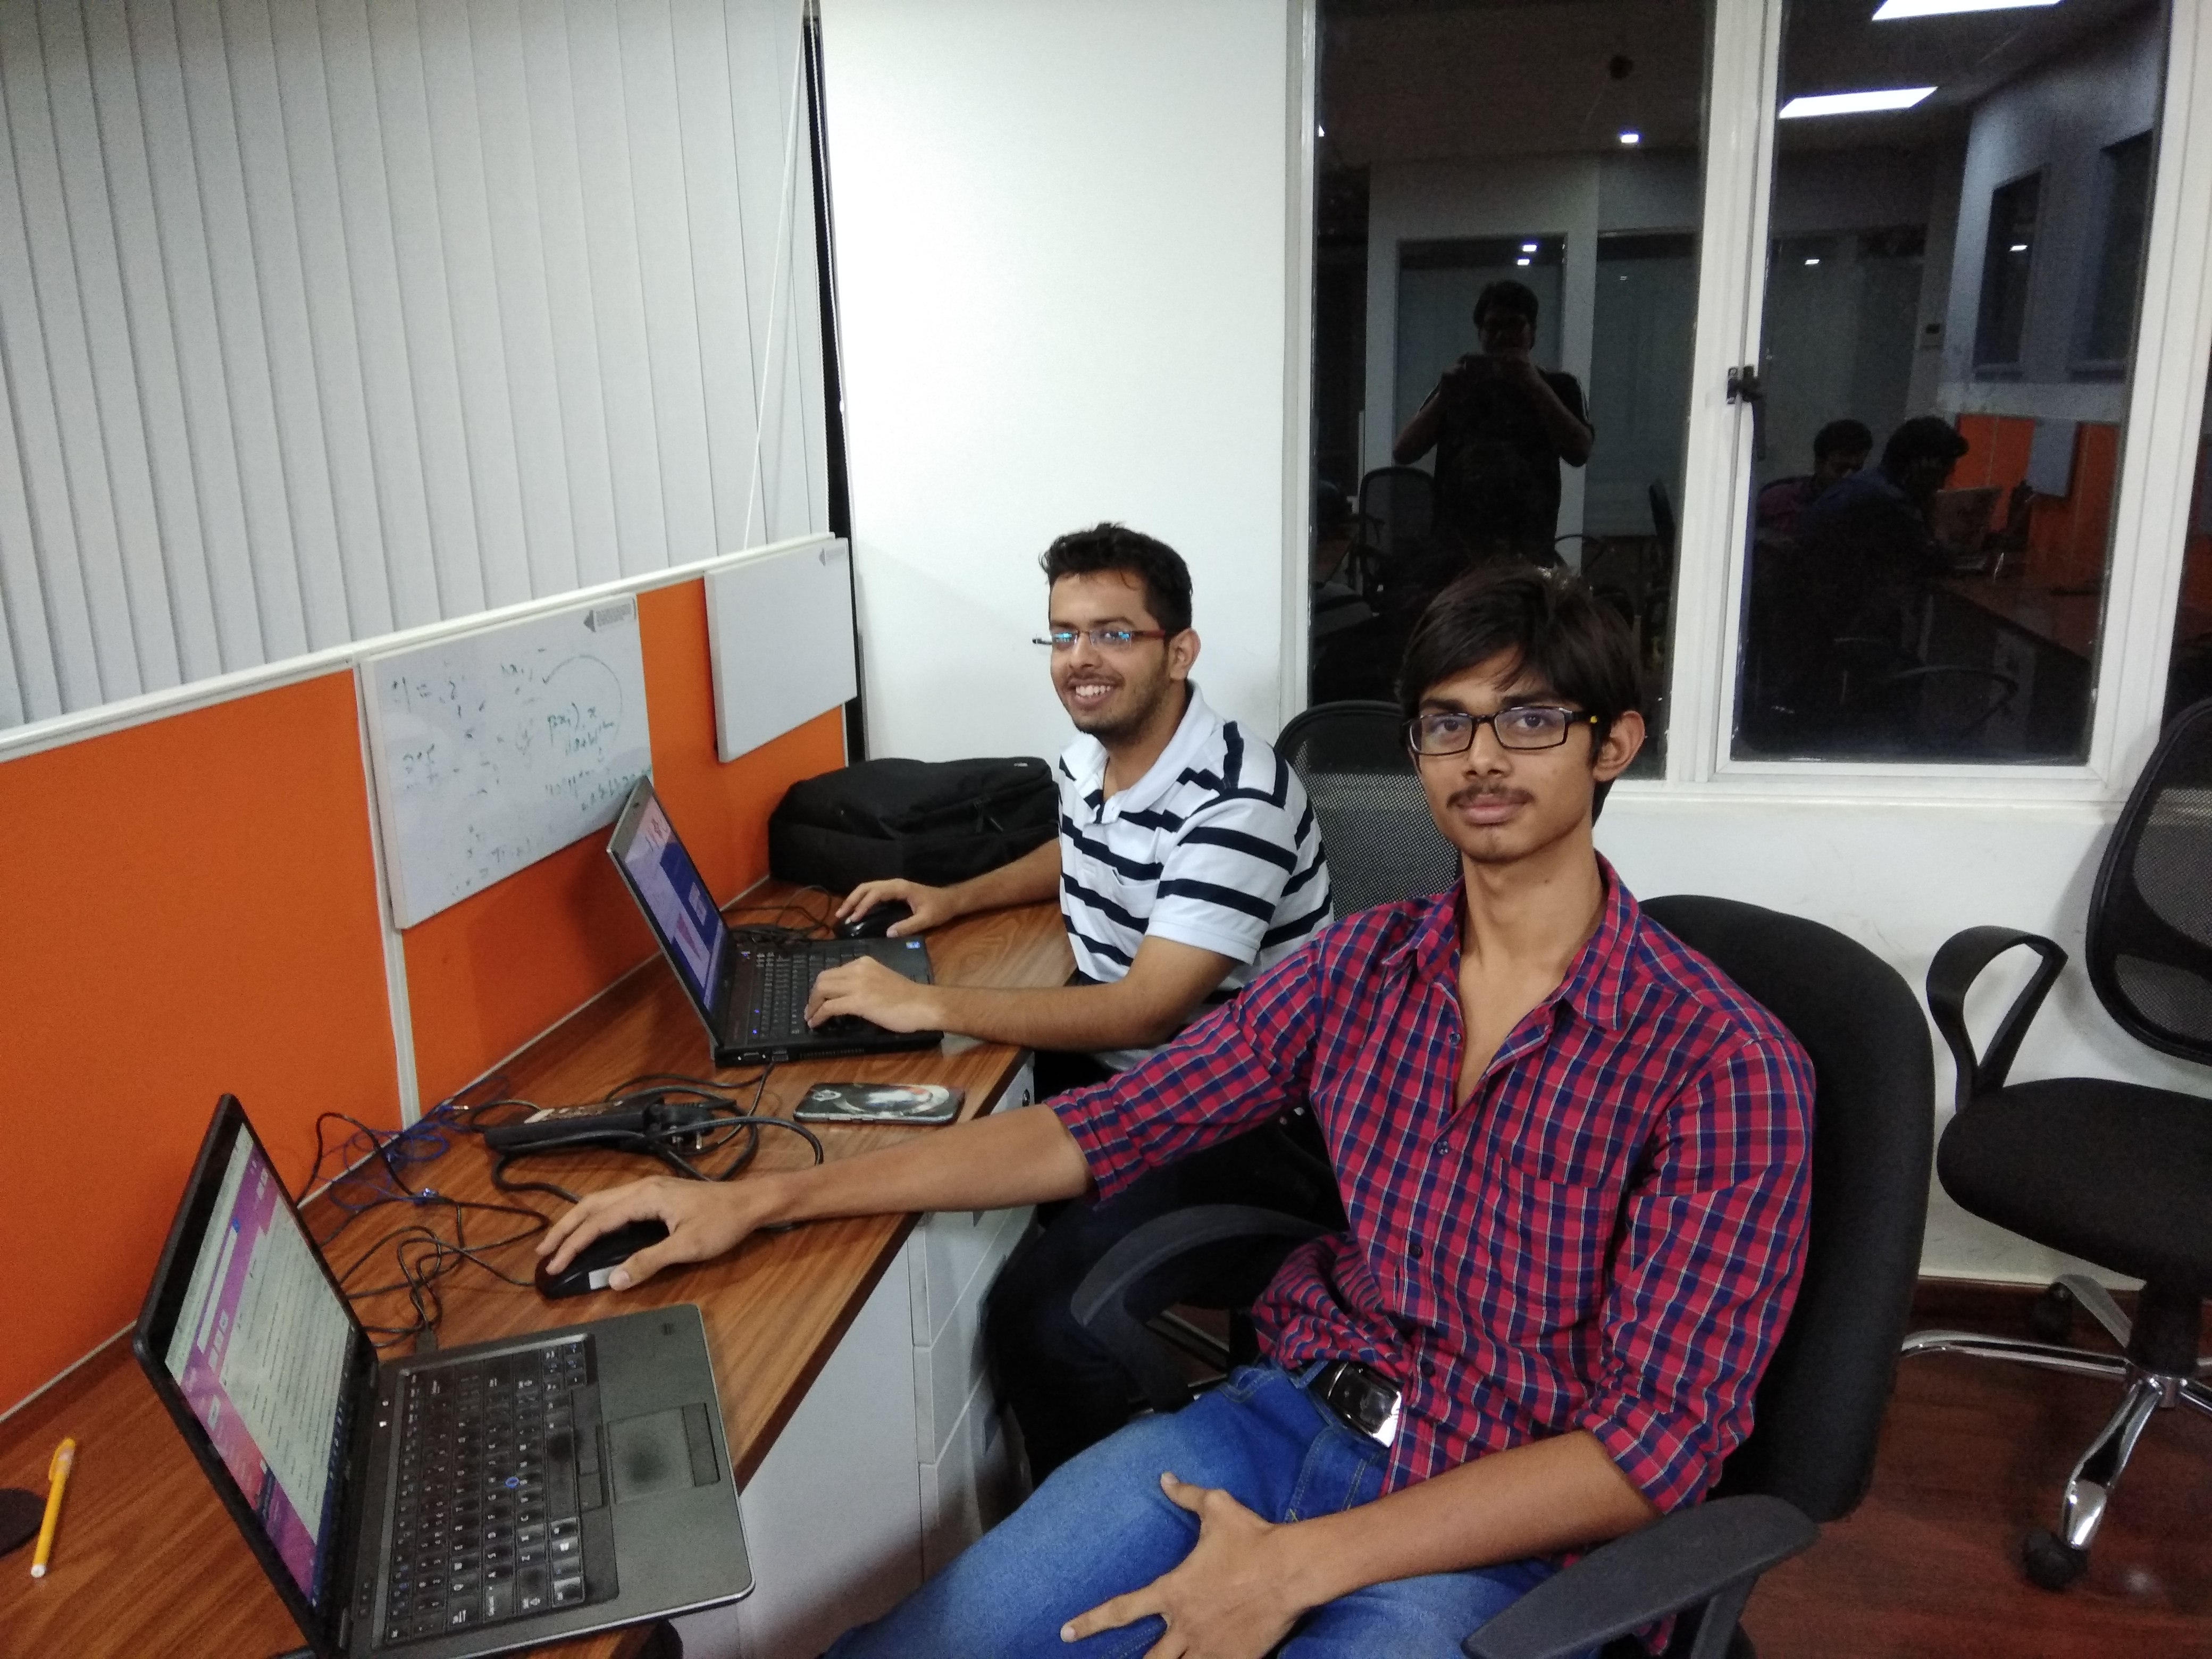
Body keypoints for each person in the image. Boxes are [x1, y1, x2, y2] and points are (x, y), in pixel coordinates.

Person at [539, 564, 1815, 1659]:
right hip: (1283, 1424)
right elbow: (1095, 1130)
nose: (1481, 757)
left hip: (1505, 1531)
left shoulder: (1723, 1063)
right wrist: (761, 1196)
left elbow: (1650, 1448)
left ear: (1612, 744)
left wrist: (1298, 1566)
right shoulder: (1361, 970)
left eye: (1528, 720)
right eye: (1448, 722)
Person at [804, 521, 1342, 1480]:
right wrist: (955, 899)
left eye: (1113, 633)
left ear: (1180, 651)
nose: (1080, 658)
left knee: (1043, 1322)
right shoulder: (1094, 757)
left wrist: (931, 1003)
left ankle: (1112, 1512)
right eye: (1064, 634)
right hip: (1127, 1072)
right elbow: (1082, 841)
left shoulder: (1236, 800)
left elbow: (1146, 1011)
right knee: (903, 1126)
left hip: (1249, 1118)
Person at [1392, 279, 1594, 572]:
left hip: (1529, 549)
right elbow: (1404, 452)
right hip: (1454, 554)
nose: (1503, 336)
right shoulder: (1459, 385)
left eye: (1515, 325)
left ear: (1533, 333)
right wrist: (1444, 397)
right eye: (1493, 327)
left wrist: (1532, 383)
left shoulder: (1560, 386)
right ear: (1480, 333)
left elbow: (1580, 451)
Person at [1754, 417, 1872, 542]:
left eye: (1857, 470)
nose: (1848, 477)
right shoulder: (1778, 500)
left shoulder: (1865, 509)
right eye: (1840, 469)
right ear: (1819, 464)